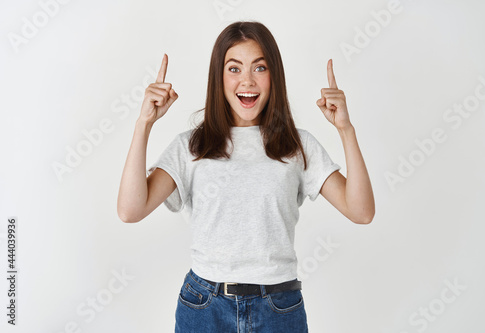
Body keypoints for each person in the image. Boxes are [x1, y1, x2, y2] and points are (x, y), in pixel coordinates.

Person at [117, 20, 375, 333]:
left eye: (260, 68)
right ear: (219, 76)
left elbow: (361, 212)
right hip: (204, 307)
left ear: (273, 76)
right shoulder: (191, 146)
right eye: (234, 68)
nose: (247, 81)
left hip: (279, 308)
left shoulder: (297, 144)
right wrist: (143, 124)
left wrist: (346, 130)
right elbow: (130, 210)